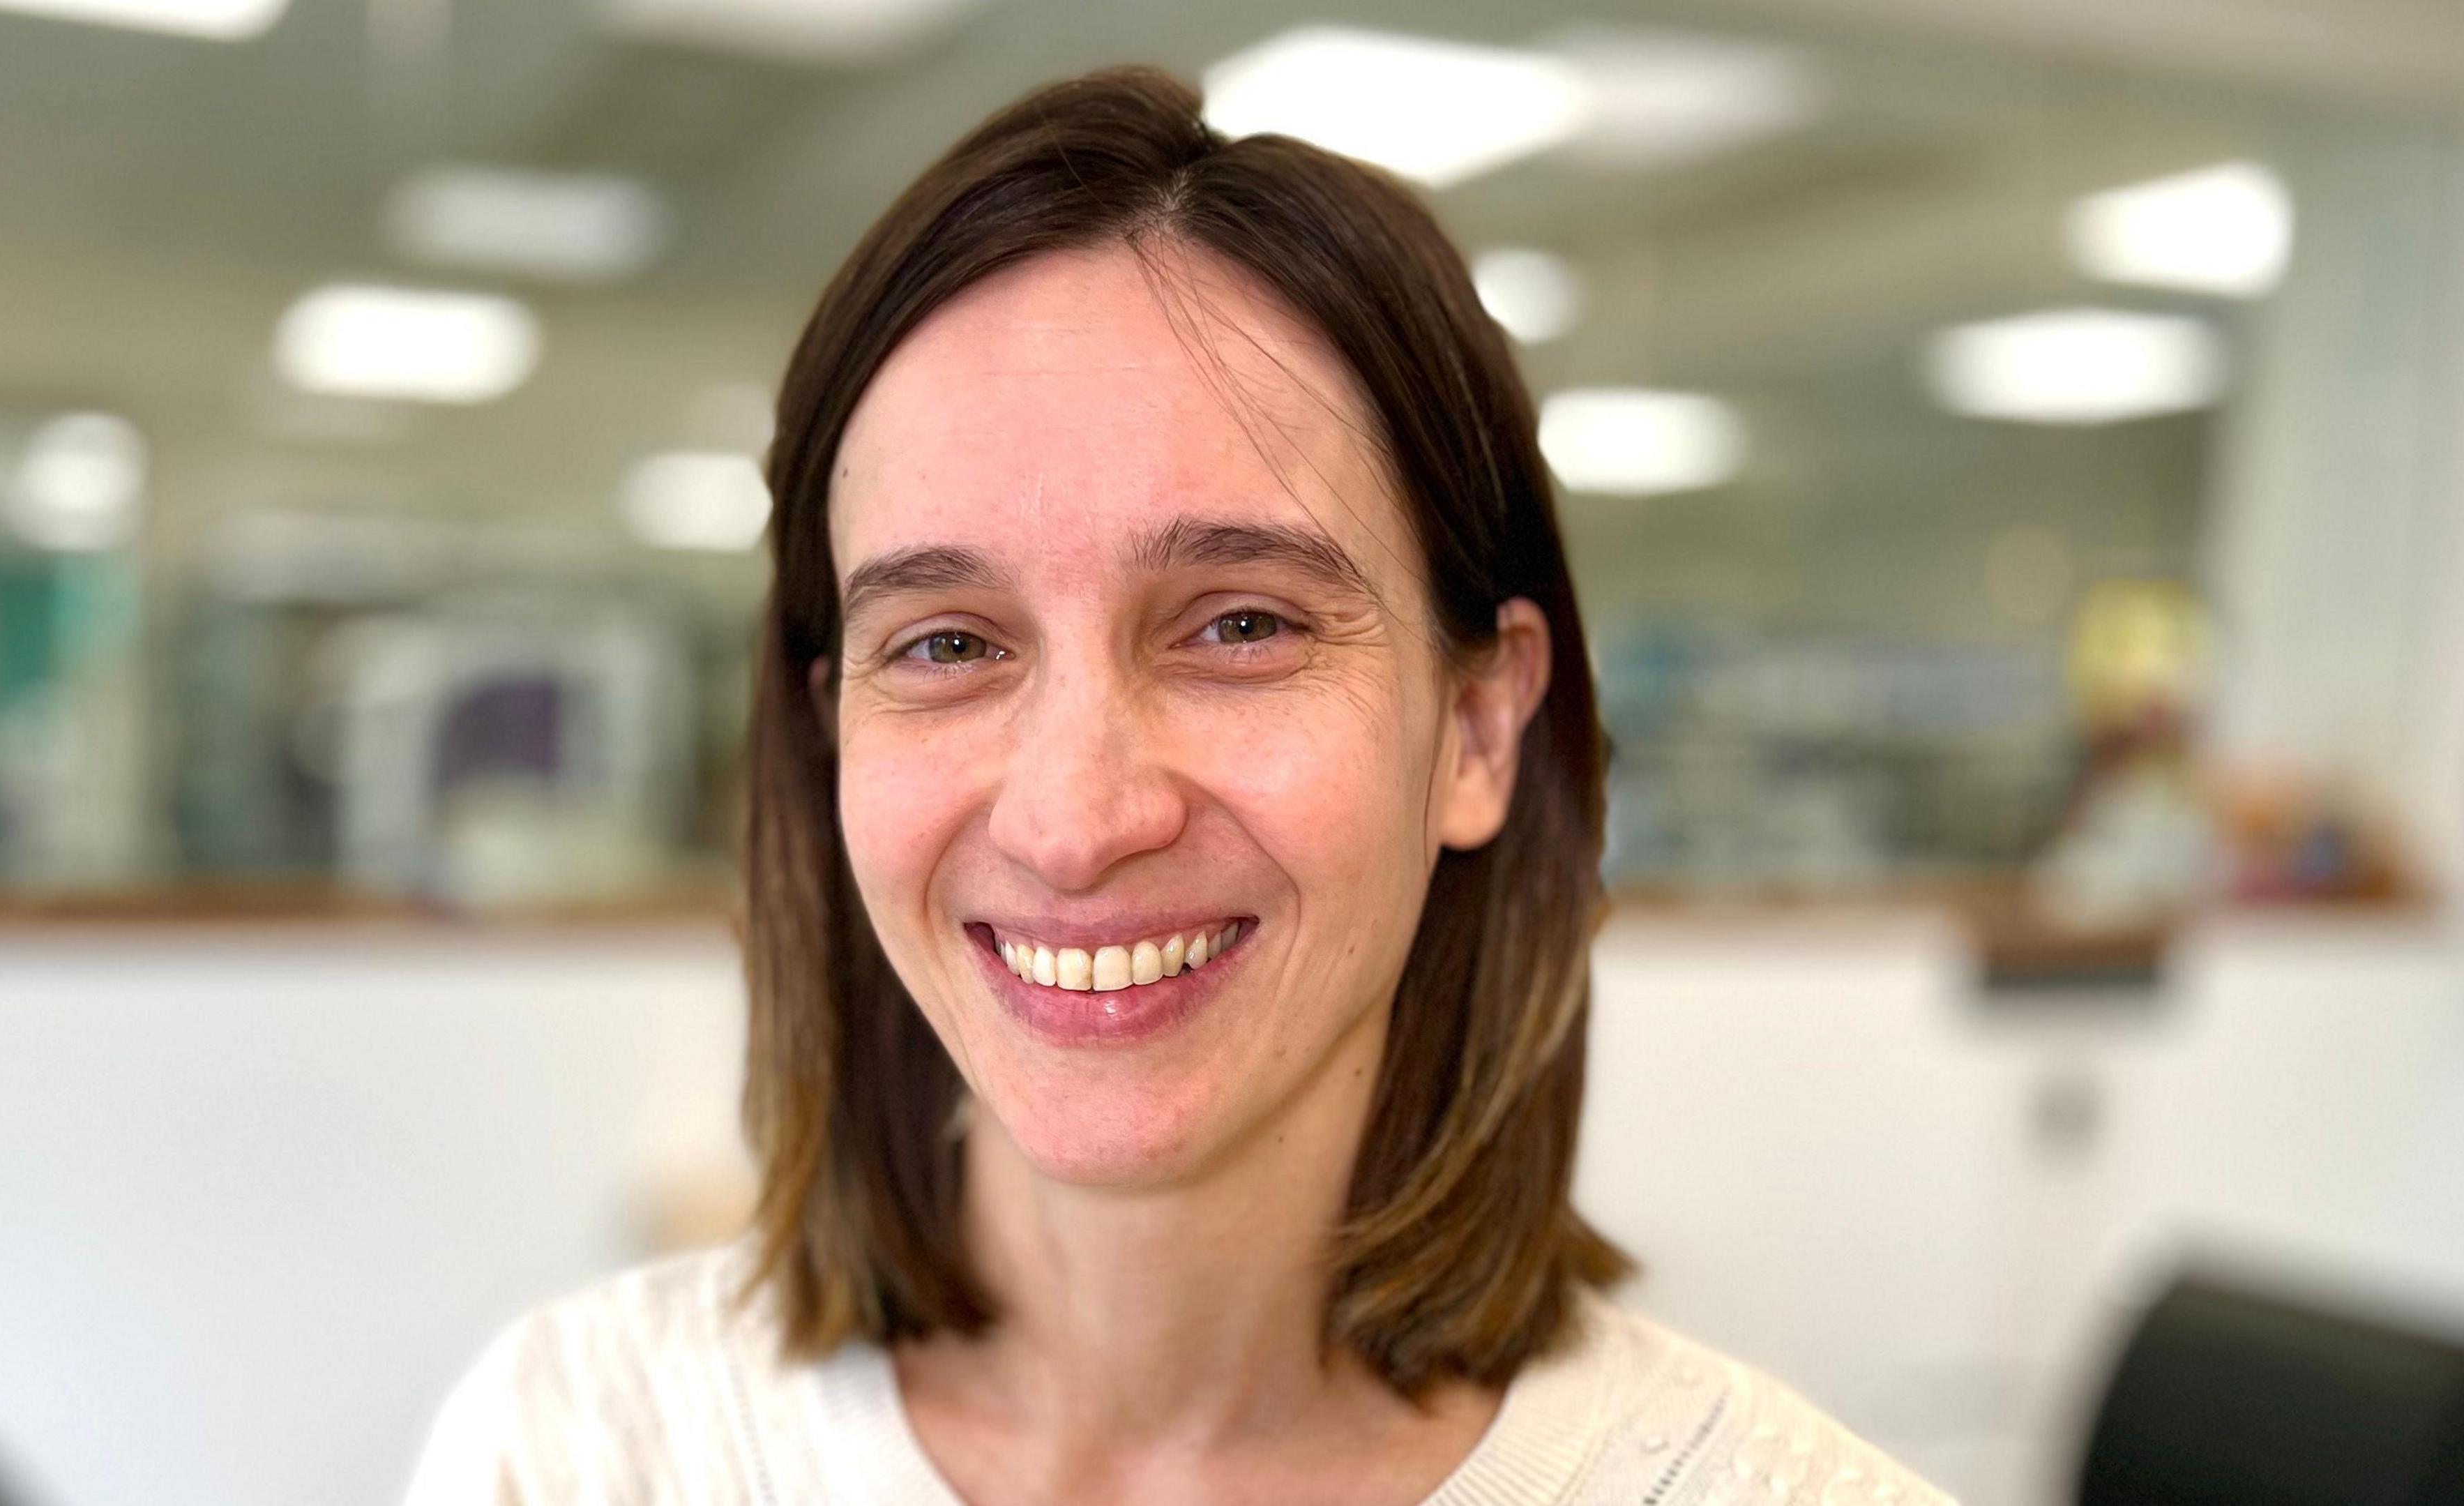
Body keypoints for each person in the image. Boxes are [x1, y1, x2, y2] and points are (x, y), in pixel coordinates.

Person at [402, 65, 1957, 1506]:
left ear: (1479, 729)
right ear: (828, 741)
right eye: (947, 642)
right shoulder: (579, 1447)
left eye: (1241, 625)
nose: (1076, 820)